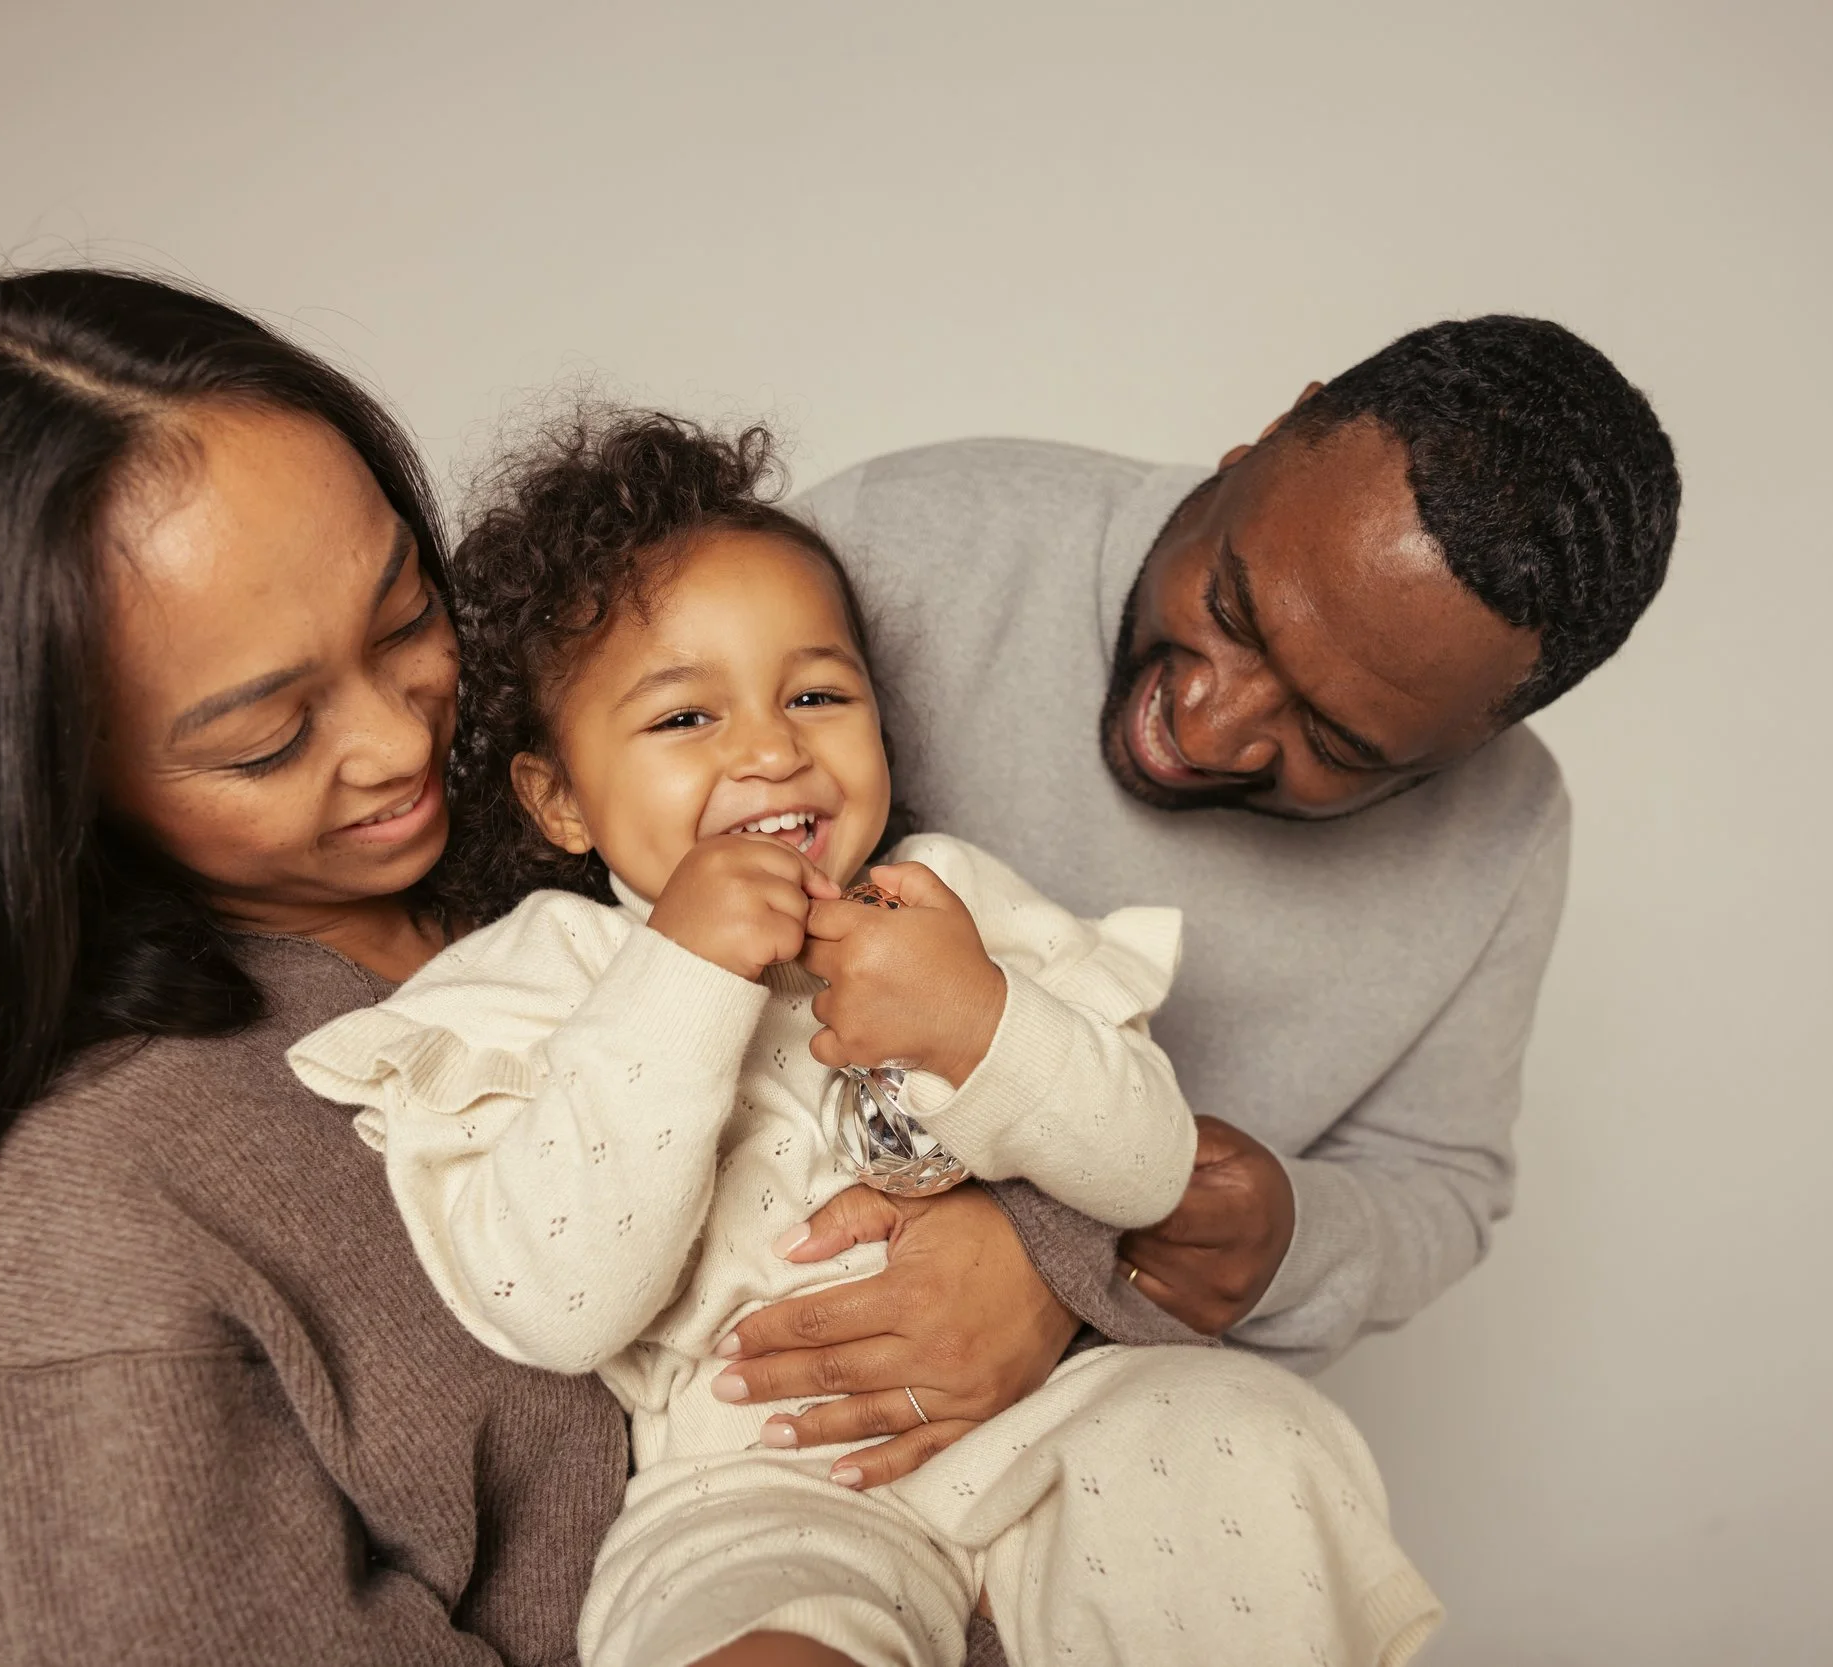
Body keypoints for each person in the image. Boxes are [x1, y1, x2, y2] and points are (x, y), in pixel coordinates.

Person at [0, 271, 1189, 1667]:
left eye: (405, 617)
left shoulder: (587, 846)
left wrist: (1039, 1265)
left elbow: (1035, 1095)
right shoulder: (92, 1224)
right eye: (270, 734)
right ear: (40, 784)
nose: (401, 745)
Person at [287, 410, 1443, 1667]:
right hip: (757, 1468)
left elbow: (1148, 1165)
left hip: (1054, 1412)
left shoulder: (952, 902)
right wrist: (681, 975)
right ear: (557, 796)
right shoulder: (535, 976)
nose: (773, 746)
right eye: (685, 719)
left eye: (817, 694)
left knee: (1250, 1440)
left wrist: (982, 1016)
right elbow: (558, 1304)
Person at [767, 318, 1681, 1384]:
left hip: (1106, 1416)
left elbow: (1437, 1179)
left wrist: (1288, 1234)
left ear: (1469, 749)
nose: (1203, 727)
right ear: (1266, 438)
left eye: (1335, 741)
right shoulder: (904, 542)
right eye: (1234, 605)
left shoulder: (1505, 830)